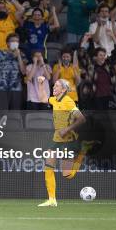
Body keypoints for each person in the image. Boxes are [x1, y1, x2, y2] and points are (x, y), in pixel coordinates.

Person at [36, 76, 86, 207]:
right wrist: (41, 83)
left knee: (67, 175)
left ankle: (81, 155)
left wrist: (67, 129)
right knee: (48, 168)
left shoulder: (68, 102)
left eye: (56, 86)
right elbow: (42, 98)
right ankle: (52, 200)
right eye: (54, 86)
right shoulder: (55, 100)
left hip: (69, 139)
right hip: (56, 138)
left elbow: (81, 119)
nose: (53, 87)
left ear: (63, 89)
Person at [0, 32, 26, 111]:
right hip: (1, 87)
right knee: (3, 113)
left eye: (17, 41)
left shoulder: (22, 54)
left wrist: (19, 56)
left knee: (15, 113)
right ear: (7, 43)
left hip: (16, 88)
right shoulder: (0, 53)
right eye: (12, 41)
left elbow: (23, 71)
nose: (15, 43)